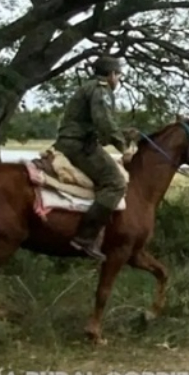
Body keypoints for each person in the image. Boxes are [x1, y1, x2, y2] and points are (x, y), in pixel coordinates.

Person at [53, 56, 134, 261]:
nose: (118, 79)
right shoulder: (101, 89)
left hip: (73, 141)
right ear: (112, 74)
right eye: (118, 75)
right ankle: (85, 238)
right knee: (115, 183)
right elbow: (103, 121)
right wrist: (123, 147)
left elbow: (98, 125)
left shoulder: (90, 87)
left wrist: (123, 133)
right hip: (78, 145)